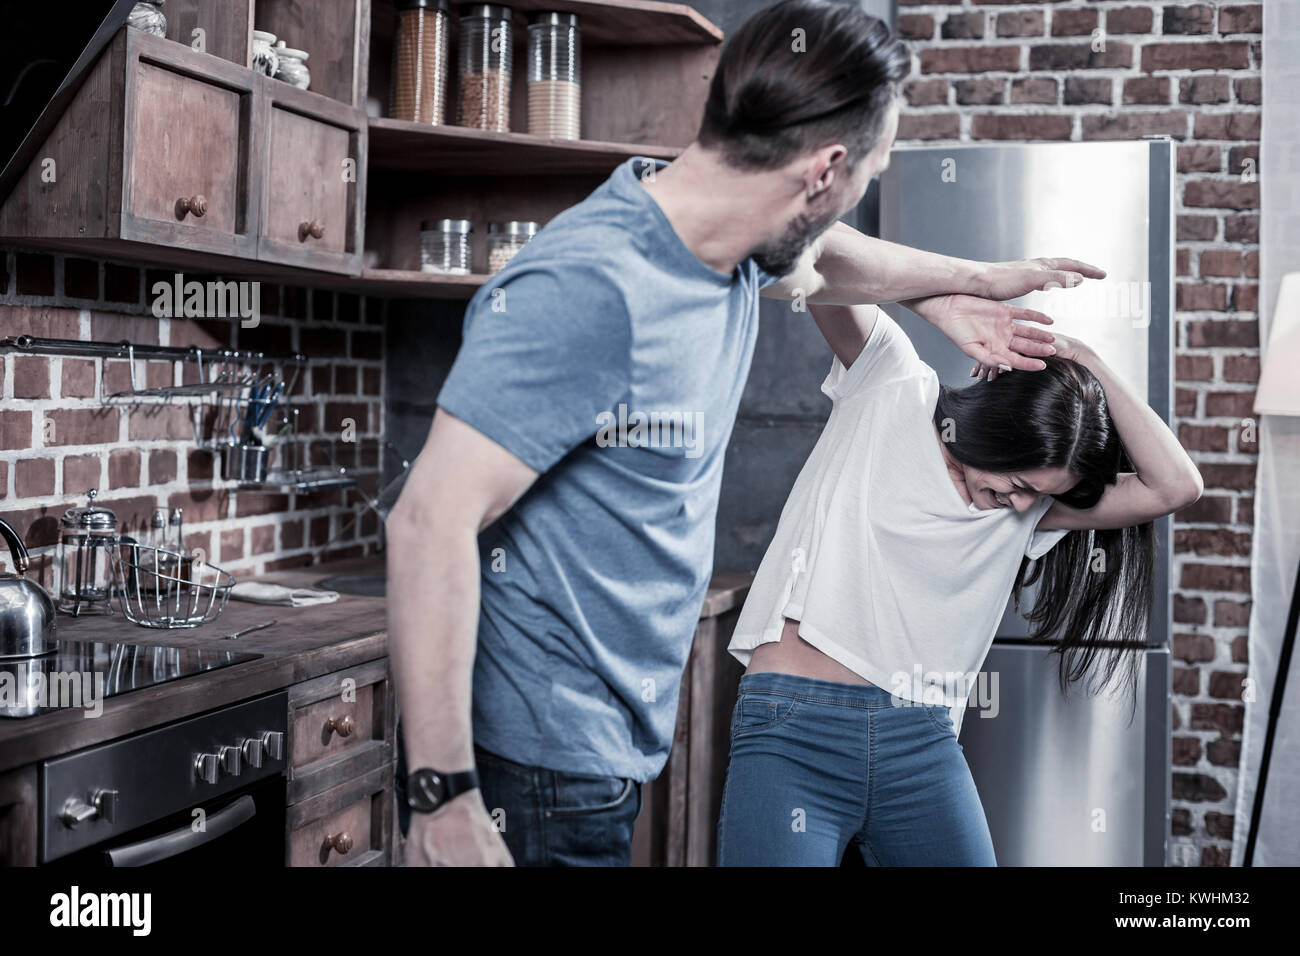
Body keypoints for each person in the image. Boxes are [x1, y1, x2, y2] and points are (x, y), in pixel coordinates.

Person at [385, 0, 1104, 867]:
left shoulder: (723, 240)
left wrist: (966, 288)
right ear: (824, 171)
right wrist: (443, 798)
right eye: (866, 176)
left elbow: (835, 255)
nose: (854, 201)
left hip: (602, 750)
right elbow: (427, 522)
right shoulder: (595, 286)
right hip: (534, 764)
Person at [716, 300, 1203, 866]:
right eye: (1019, 480)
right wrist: (948, 297)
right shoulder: (890, 384)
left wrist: (1085, 358)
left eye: (1038, 495)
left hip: (921, 742)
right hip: (795, 727)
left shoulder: (1026, 512)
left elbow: (1175, 486)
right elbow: (825, 266)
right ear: (998, 431)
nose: (1022, 501)